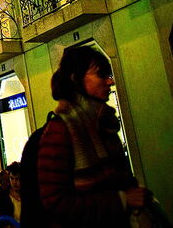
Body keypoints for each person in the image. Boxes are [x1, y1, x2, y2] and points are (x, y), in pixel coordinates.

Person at [37, 45, 151, 227]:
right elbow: (56, 203)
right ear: (75, 78)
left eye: (109, 75)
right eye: (101, 75)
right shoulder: (60, 130)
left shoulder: (105, 125)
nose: (110, 82)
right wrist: (122, 200)